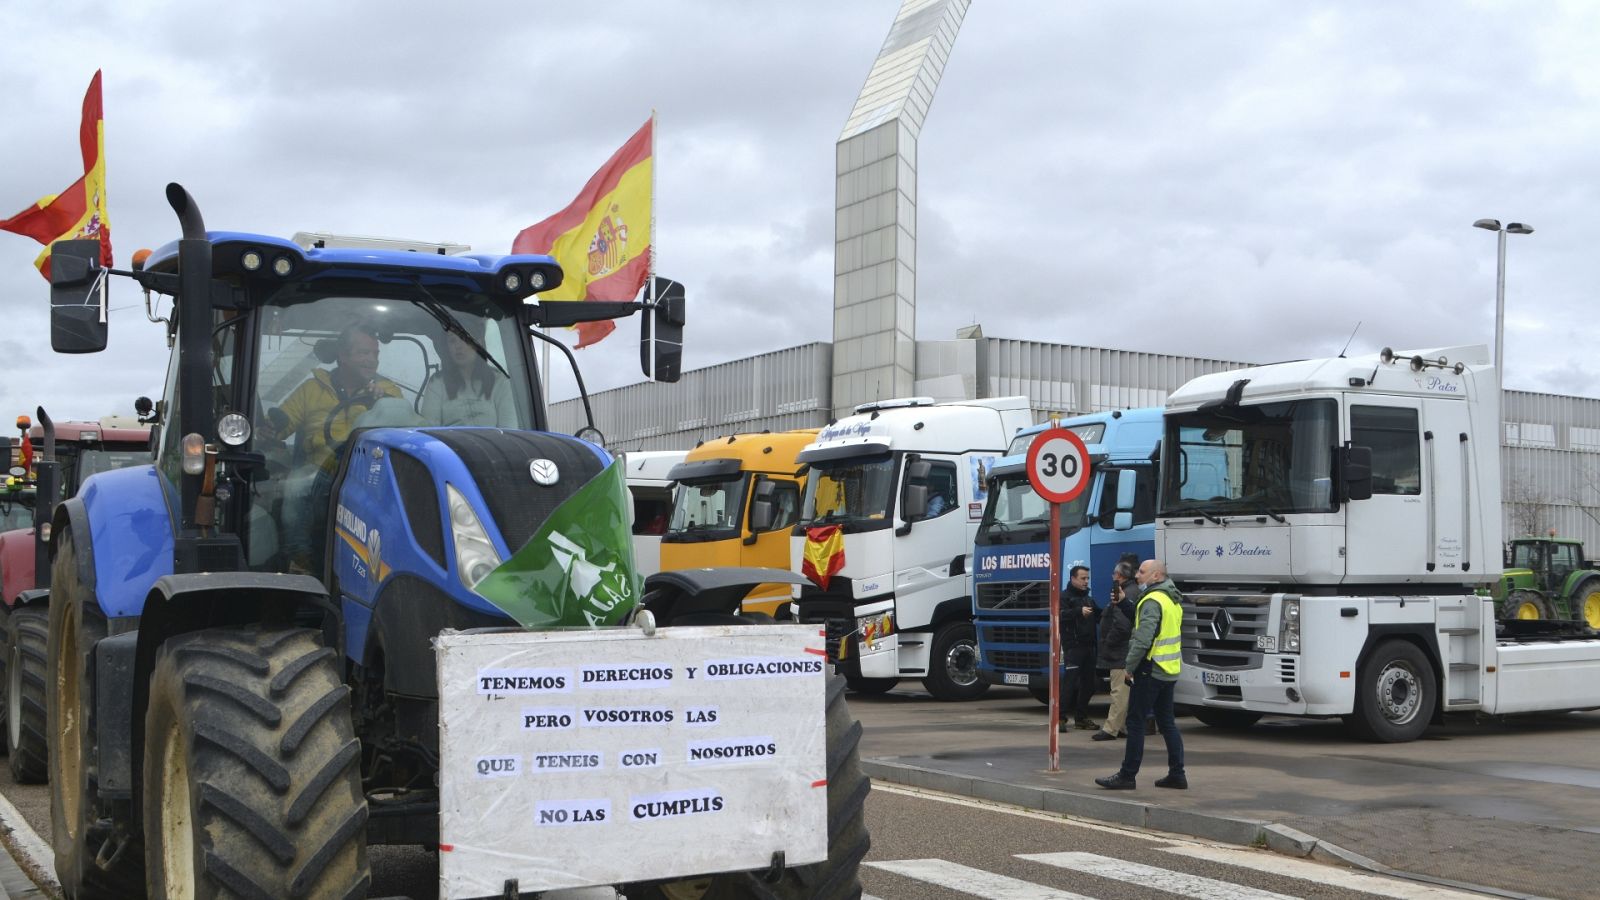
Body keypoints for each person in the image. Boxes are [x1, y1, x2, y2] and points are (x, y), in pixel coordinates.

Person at [264, 323, 402, 572]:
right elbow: (281, 424)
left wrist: (384, 403)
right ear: (343, 356)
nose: (372, 360)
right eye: (363, 353)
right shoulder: (311, 389)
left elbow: (404, 426)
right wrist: (271, 427)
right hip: (317, 469)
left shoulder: (388, 391)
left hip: (368, 472)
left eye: (375, 354)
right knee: (295, 487)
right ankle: (301, 561)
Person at [1096, 559, 1186, 790]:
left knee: (1135, 722)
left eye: (1143, 572)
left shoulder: (1153, 600)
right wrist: (1126, 603)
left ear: (1156, 576)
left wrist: (1129, 667)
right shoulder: (1170, 598)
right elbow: (1145, 619)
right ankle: (1177, 774)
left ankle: (1127, 775)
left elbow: (1143, 638)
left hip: (1149, 669)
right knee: (1167, 723)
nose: (1137, 576)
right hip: (1168, 671)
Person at [420, 329, 515, 427]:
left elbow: (509, 431)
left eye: (465, 339)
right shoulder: (436, 383)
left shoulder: (500, 382)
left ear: (479, 343)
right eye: (452, 341)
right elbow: (429, 431)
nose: (458, 346)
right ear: (447, 347)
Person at [1091, 561, 1138, 741]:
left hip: (1120, 652)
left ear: (1119, 576)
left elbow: (1122, 625)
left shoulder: (1124, 593)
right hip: (1124, 650)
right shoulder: (1133, 591)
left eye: (1113, 574)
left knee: (1119, 691)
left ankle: (1111, 729)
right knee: (1124, 691)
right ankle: (1122, 726)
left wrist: (1108, 643)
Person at [1058, 564, 1100, 732]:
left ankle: (1081, 718)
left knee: (1090, 684)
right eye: (1083, 578)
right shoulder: (1064, 597)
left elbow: (1099, 614)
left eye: (1087, 578)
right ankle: (1060, 717)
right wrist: (1077, 611)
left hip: (1089, 647)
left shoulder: (1088, 598)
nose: (1086, 581)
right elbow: (1059, 615)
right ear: (1073, 578)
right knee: (1069, 683)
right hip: (1073, 647)